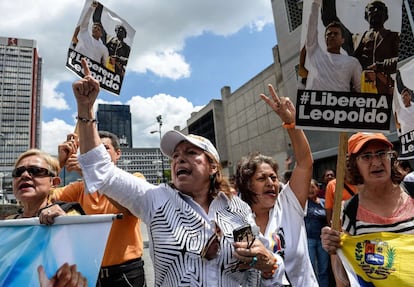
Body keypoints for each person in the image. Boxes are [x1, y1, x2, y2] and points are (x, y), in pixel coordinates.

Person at [71, 58, 288, 286]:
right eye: (175, 155)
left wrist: (267, 265)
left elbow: (254, 260)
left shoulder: (237, 209)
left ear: (213, 166)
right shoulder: (155, 200)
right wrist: (85, 108)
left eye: (191, 152)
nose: (179, 158)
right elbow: (101, 170)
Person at [235, 84, 319, 286]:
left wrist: (291, 123)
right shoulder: (236, 217)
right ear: (246, 184)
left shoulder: (289, 204)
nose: (271, 183)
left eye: (273, 177)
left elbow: (305, 162)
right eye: (262, 178)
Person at [54, 131, 146, 287]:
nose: (97, 155)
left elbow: (129, 208)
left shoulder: (135, 180)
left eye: (104, 149)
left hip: (125, 274)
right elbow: (40, 199)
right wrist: (58, 164)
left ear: (118, 154)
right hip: (89, 273)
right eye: (91, 152)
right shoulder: (78, 189)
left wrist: (91, 173)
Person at [321, 132, 411, 285]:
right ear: (354, 165)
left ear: (391, 158)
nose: (376, 162)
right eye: (366, 156)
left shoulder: (412, 192)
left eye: (382, 153)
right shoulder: (349, 211)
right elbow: (344, 278)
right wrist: (334, 247)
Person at [8, 148, 87, 286]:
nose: (25, 175)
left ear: (54, 182)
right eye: (18, 172)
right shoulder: (9, 223)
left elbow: (84, 257)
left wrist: (65, 225)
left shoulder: (68, 214)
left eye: (36, 171)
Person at [322, 0, 399, 94]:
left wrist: (381, 66)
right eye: (371, 9)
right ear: (366, 16)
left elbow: (403, 59)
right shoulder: (354, 39)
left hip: (383, 90)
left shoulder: (394, 37)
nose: (375, 11)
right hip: (357, 92)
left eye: (380, 9)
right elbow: (329, 19)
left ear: (386, 15)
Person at [304, 0, 362, 92]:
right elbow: (311, 29)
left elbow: (360, 90)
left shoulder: (352, 62)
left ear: (343, 39)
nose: (332, 36)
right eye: (329, 34)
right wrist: (315, 5)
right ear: (324, 38)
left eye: (335, 34)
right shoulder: (315, 54)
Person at [93, 2, 131, 76]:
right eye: (119, 29)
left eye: (122, 30)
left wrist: (119, 59)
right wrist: (99, 7)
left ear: (125, 35)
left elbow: (128, 60)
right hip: (104, 67)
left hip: (117, 72)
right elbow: (97, 21)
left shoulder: (127, 47)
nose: (120, 31)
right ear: (115, 31)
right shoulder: (108, 39)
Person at [305, 179, 329, 287]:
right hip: (309, 239)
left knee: (323, 269)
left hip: (322, 240)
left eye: (313, 187)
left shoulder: (324, 202)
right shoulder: (303, 203)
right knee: (311, 268)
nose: (310, 190)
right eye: (308, 187)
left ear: (318, 188)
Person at [73, 1, 109, 66]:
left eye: (98, 29)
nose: (95, 29)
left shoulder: (104, 48)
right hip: (76, 64)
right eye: (94, 27)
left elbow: (104, 64)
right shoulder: (85, 34)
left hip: (91, 71)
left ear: (101, 34)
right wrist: (91, 8)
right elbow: (85, 21)